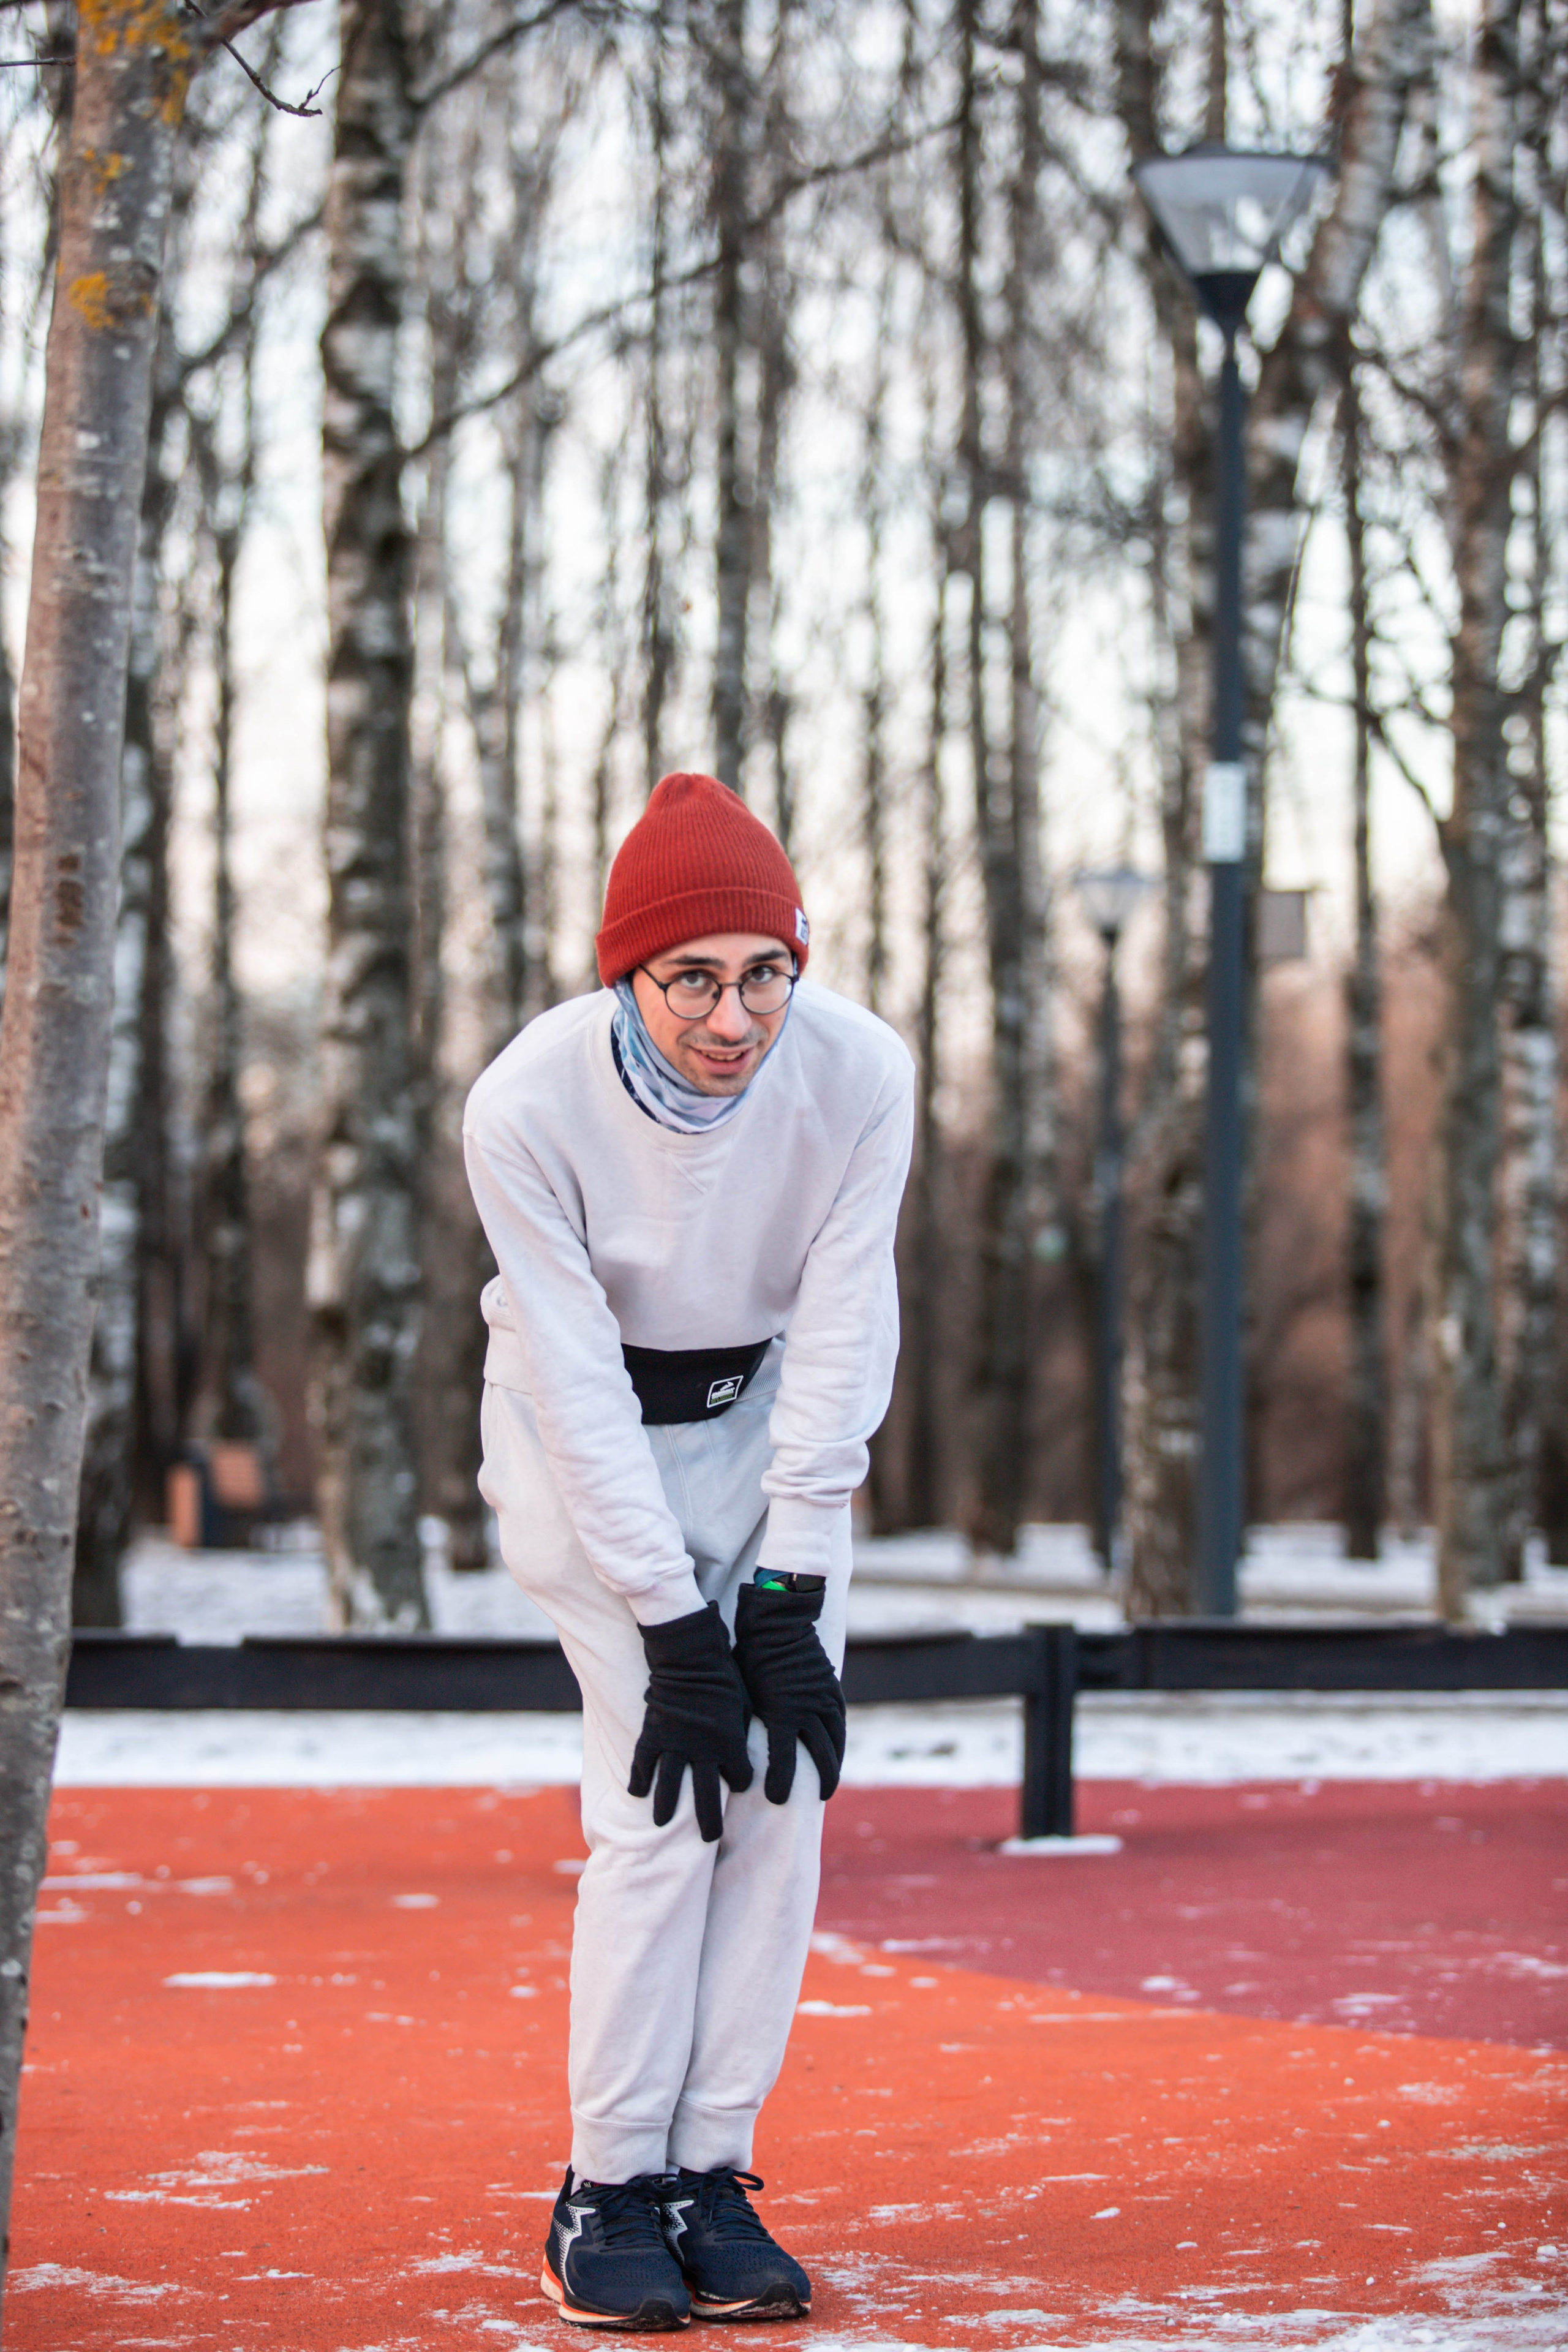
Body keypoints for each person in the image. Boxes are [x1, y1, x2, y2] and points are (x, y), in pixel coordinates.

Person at [464, 771, 914, 2329]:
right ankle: (601, 2183)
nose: (737, 1018)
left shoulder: (857, 1074)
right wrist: (673, 1625)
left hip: (768, 1431)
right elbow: (581, 1385)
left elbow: (847, 1329)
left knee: (779, 1788)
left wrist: (784, 1588)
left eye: (768, 971)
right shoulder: (524, 1107)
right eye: (695, 979)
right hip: (580, 1451)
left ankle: (707, 2170)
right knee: (662, 1801)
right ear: (626, 972)